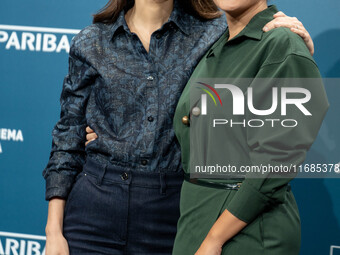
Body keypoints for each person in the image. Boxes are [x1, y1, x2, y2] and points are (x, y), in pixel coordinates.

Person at [42, 0, 315, 254]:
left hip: (172, 208)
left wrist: (295, 38)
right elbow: (68, 135)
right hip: (95, 203)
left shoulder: (214, 34)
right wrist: (53, 230)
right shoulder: (92, 41)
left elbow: (260, 50)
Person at [172, 1, 329, 255]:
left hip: (245, 231)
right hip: (195, 220)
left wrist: (215, 238)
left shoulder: (282, 42)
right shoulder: (217, 42)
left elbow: (276, 161)